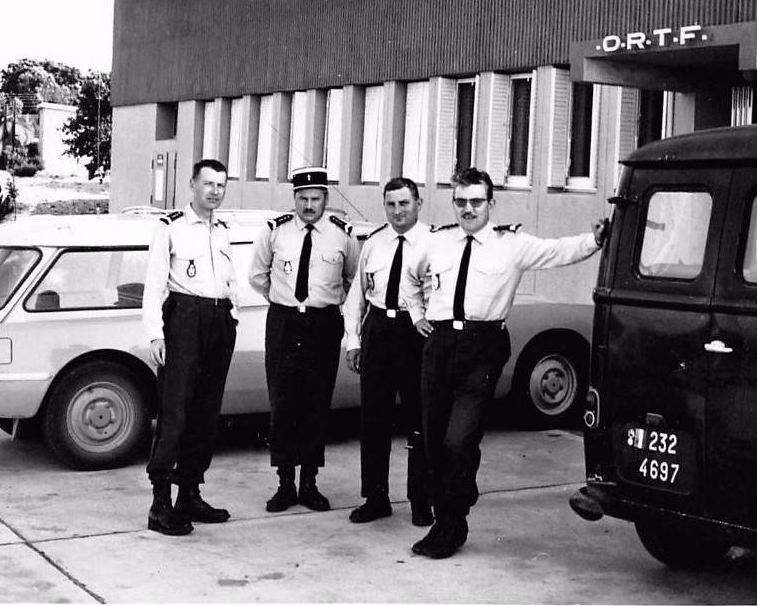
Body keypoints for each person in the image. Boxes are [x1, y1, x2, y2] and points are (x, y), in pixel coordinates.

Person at [401, 168, 607, 559]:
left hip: (483, 345)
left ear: (491, 204)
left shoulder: (511, 244)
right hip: (440, 345)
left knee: (459, 440)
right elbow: (410, 279)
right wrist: (417, 315)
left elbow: (557, 251)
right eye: (460, 201)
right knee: (432, 440)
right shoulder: (436, 241)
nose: (467, 208)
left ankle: (453, 519)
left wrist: (594, 240)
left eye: (476, 201)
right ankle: (449, 514)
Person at [249, 167, 360, 513]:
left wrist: (321, 306)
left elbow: (353, 280)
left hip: (323, 324)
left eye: (316, 198)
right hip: (283, 323)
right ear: (293, 198)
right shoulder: (274, 232)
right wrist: (286, 302)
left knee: (315, 403)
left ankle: (310, 482)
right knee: (282, 403)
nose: (309, 205)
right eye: (303, 198)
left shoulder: (343, 235)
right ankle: (284, 483)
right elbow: (257, 276)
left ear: (326, 199)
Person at [142, 159, 238, 536]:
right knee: (176, 413)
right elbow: (153, 286)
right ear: (192, 185)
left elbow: (229, 281)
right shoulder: (171, 228)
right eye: (208, 183)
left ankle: (190, 495)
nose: (215, 191)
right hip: (183, 318)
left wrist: (233, 319)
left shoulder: (223, 230)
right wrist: (156, 334)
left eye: (221, 185)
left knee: (206, 413)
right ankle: (160, 504)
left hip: (218, 321)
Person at [342, 178, 432, 527]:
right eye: (391, 204)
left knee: (420, 421)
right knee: (373, 421)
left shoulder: (434, 243)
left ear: (418, 203)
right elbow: (357, 297)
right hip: (378, 330)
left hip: (416, 333)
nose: (397, 211)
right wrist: (354, 340)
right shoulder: (374, 243)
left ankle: (421, 500)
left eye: (404, 204)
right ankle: (375, 497)